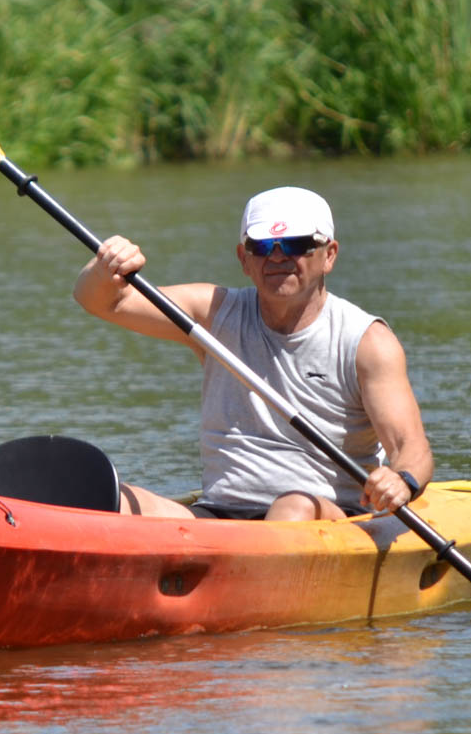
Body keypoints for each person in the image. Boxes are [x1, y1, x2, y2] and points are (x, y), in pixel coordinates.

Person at [73, 185, 433, 521]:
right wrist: (106, 267)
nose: (278, 257)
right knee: (114, 500)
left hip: (324, 516)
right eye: (263, 246)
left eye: (296, 244)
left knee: (290, 508)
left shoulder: (367, 342)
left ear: (329, 256)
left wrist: (402, 480)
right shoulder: (212, 314)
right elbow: (100, 301)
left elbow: (411, 448)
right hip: (219, 514)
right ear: (244, 259)